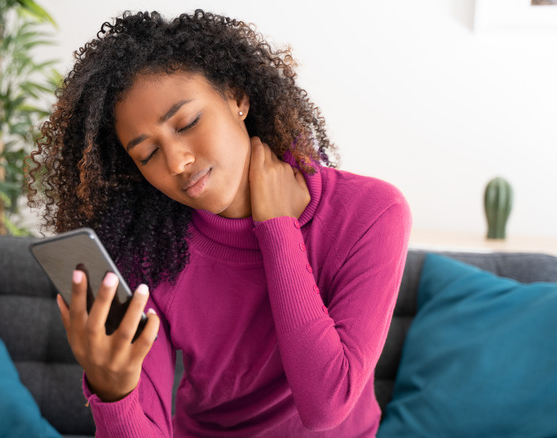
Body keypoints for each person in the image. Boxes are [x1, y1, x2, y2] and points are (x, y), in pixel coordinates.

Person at [27, 9, 412, 437]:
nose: (177, 162)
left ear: (237, 98)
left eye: (187, 123)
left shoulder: (371, 212)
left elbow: (326, 405)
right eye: (147, 155)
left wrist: (278, 231)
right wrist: (112, 391)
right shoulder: (153, 252)